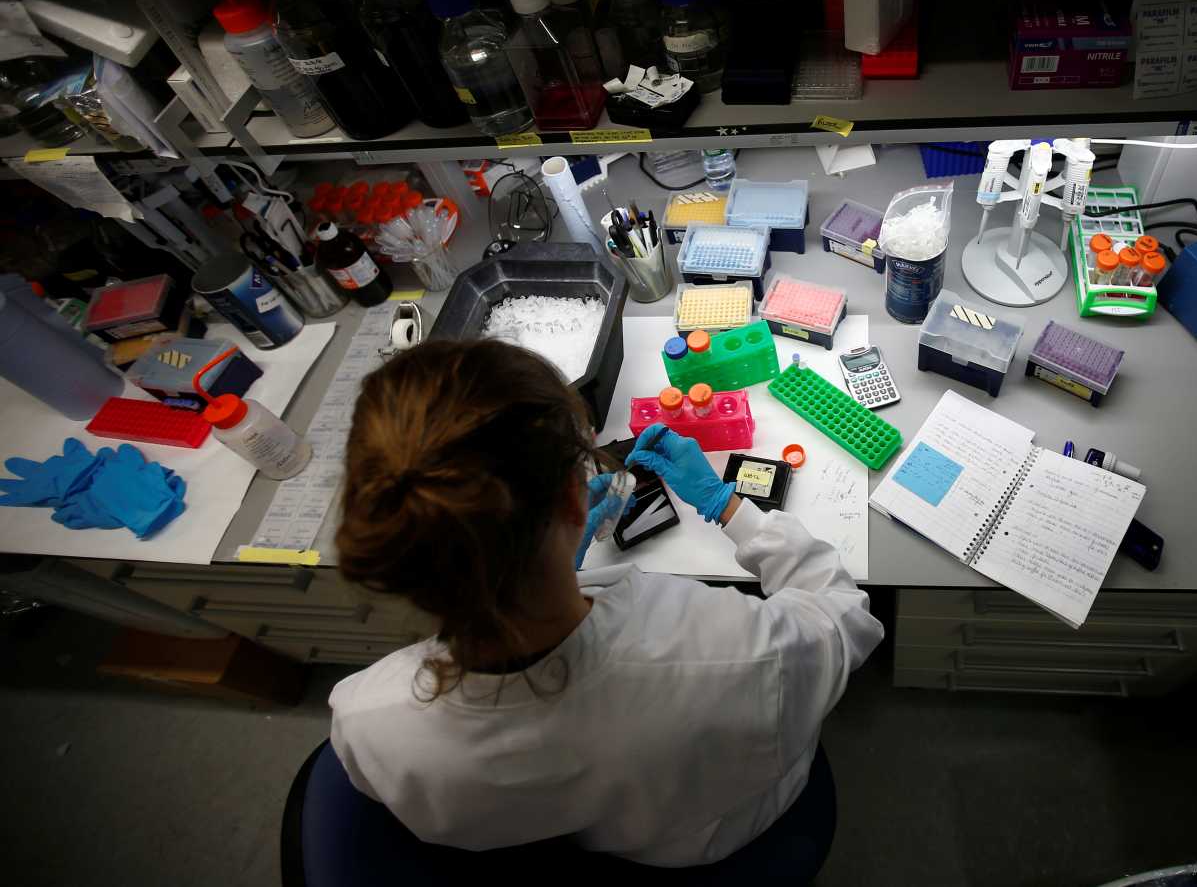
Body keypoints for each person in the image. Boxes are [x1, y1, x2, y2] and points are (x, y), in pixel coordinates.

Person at [327, 338, 883, 868]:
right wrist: (725, 504)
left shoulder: (364, 715)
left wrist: (557, 567)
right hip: (708, 832)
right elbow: (847, 617)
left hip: (587, 837)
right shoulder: (730, 652)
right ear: (574, 498)